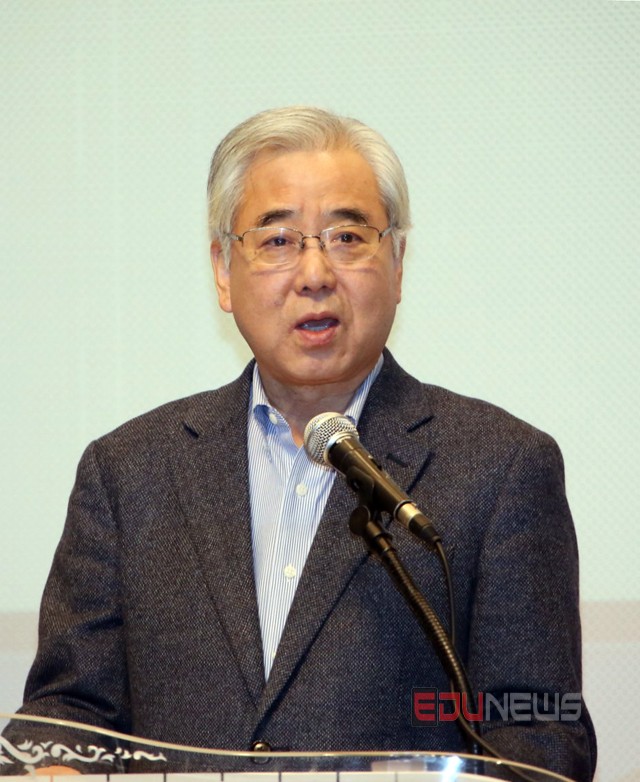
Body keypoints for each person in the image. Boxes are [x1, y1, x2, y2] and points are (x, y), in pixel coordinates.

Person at [4, 106, 596, 780]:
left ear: (397, 263)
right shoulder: (127, 473)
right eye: (278, 240)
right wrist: (47, 766)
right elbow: (66, 714)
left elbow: (541, 730)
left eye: (347, 237)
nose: (314, 273)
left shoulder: (503, 467)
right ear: (223, 270)